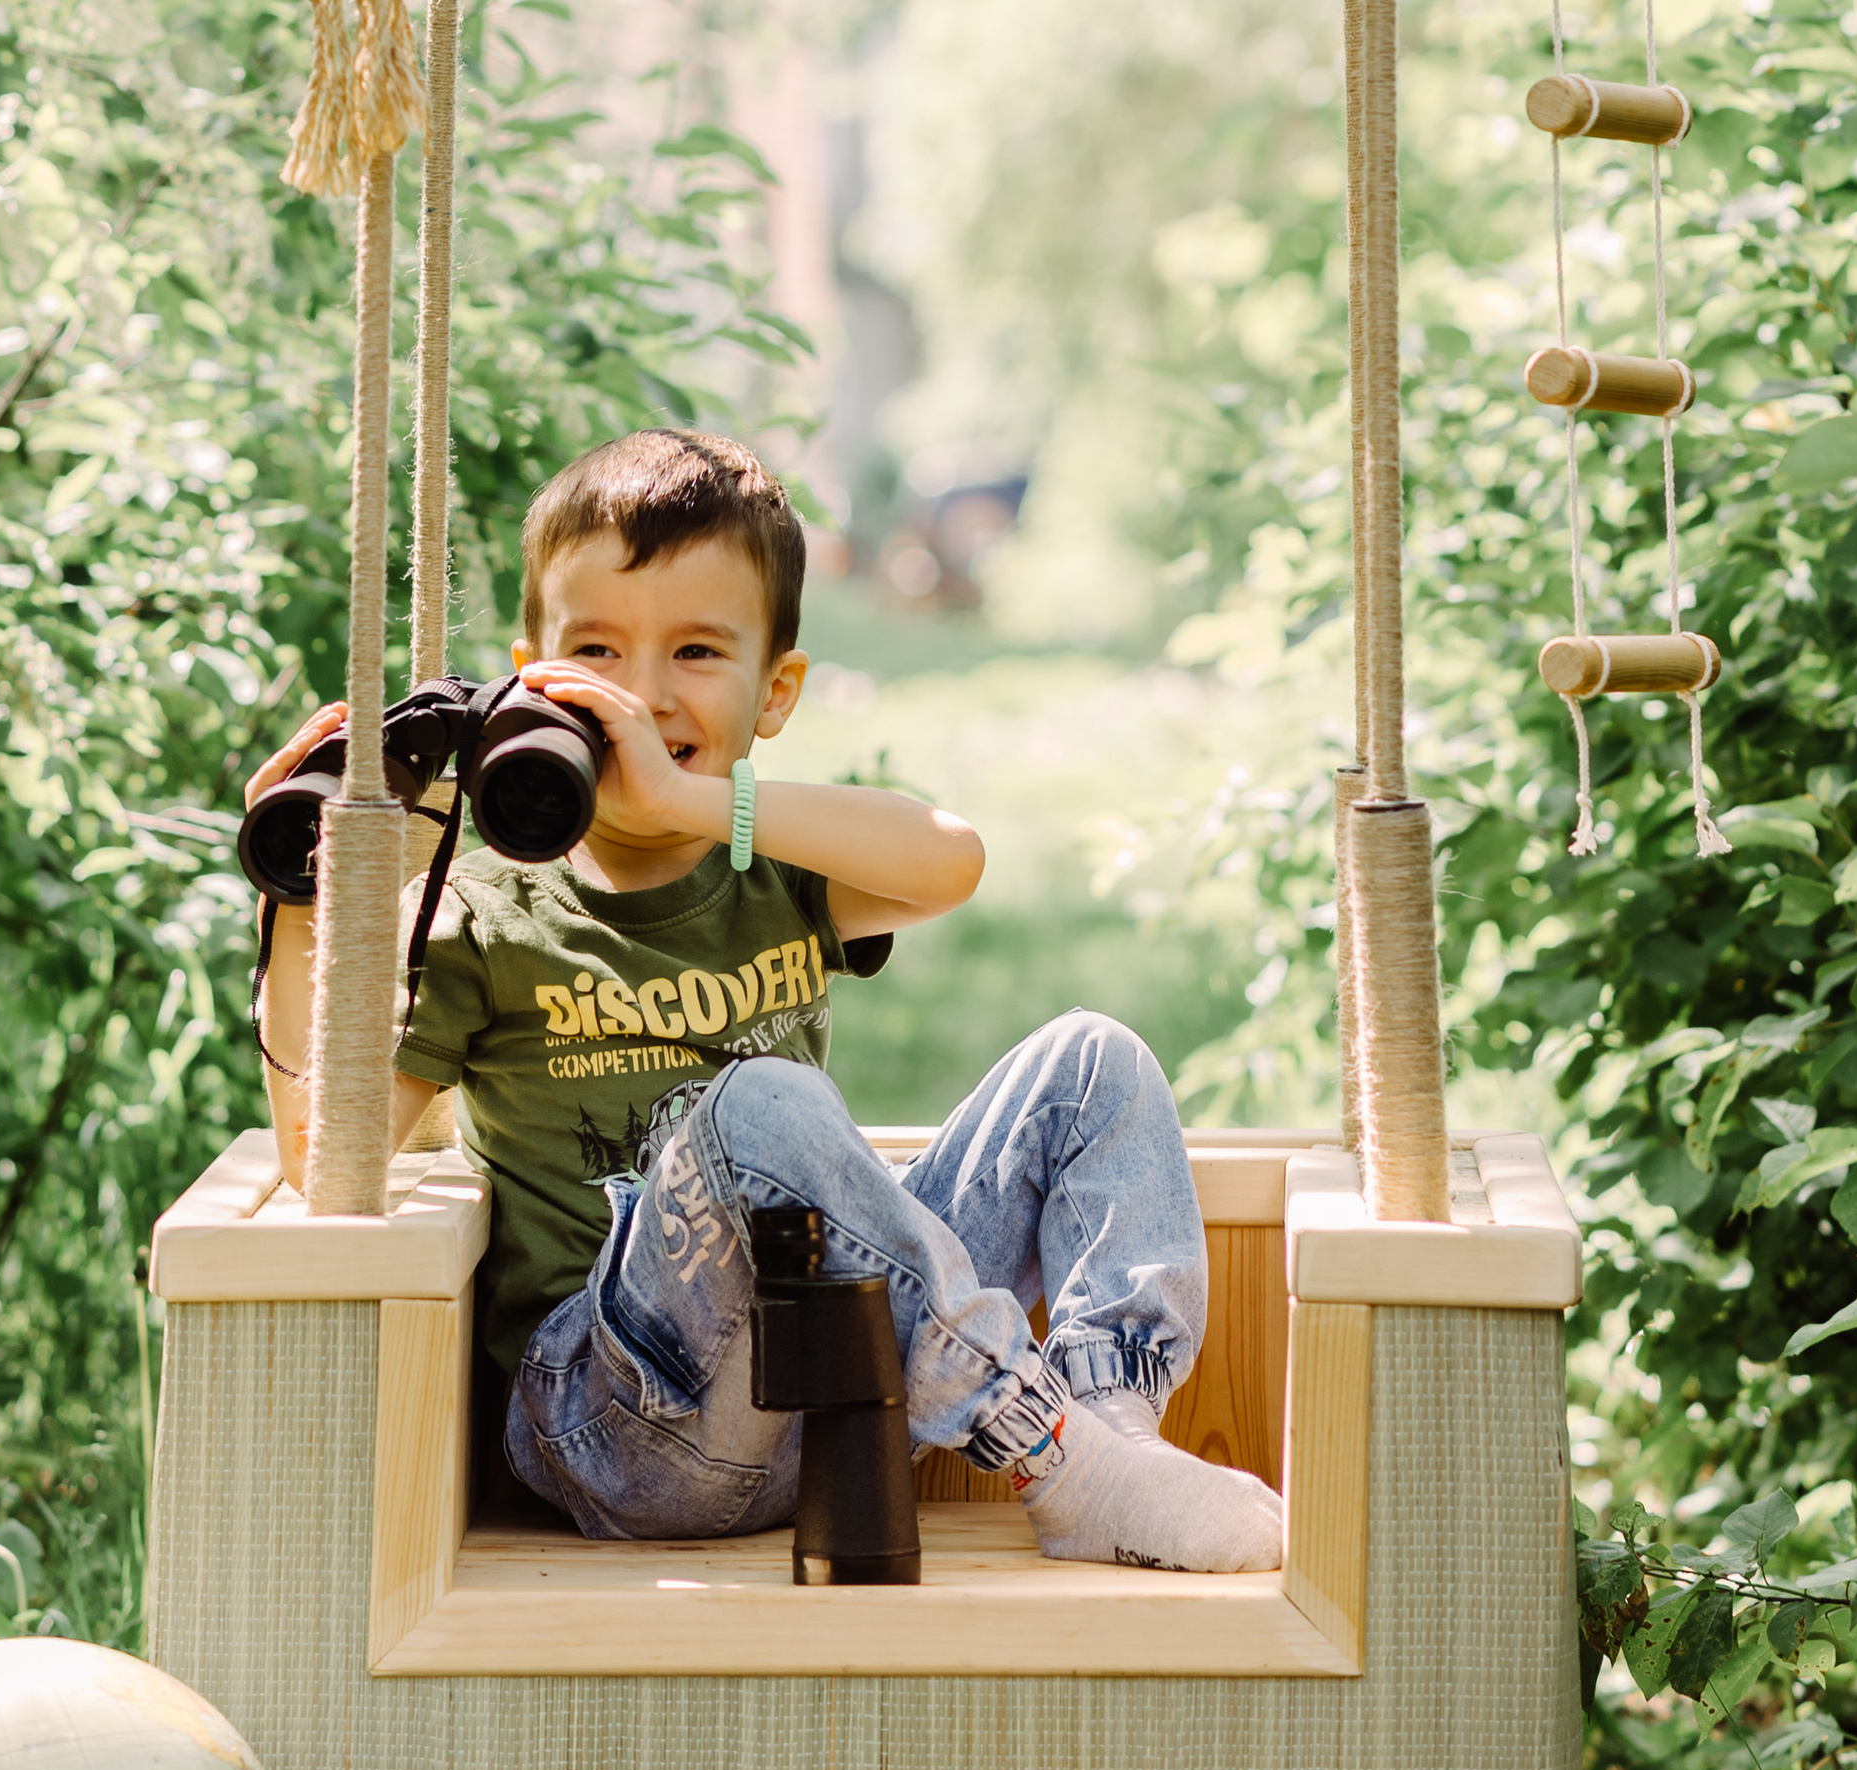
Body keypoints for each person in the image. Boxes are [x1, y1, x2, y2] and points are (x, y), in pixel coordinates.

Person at [245, 426, 1282, 1572]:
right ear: (525, 674)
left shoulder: (766, 858)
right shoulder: (491, 911)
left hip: (825, 1396)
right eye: (595, 649)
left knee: (1092, 1060)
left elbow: (952, 858)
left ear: (774, 690)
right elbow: (320, 1158)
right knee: (761, 1109)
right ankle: (1046, 1446)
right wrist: (310, 897)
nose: (641, 693)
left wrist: (697, 806)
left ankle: (1108, 1444)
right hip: (620, 1421)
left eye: (695, 652)